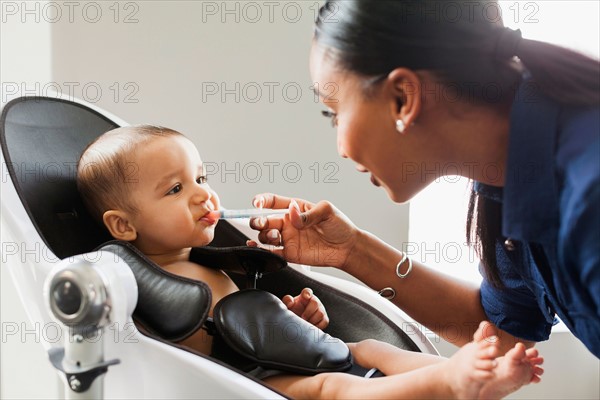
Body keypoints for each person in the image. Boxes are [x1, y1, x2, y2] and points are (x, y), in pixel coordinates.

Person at [77, 125, 542, 399]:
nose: (203, 194)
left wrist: (293, 321)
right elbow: (194, 359)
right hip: (261, 382)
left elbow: (251, 325)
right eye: (176, 189)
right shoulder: (149, 285)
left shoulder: (208, 262)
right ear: (122, 227)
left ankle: (474, 376)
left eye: (201, 177)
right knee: (334, 391)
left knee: (367, 350)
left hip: (289, 357)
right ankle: (451, 383)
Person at [248, 0, 600, 359]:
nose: (340, 148)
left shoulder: (588, 192)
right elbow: (503, 333)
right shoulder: (507, 175)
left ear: (403, 97)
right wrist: (351, 251)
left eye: (334, 113)